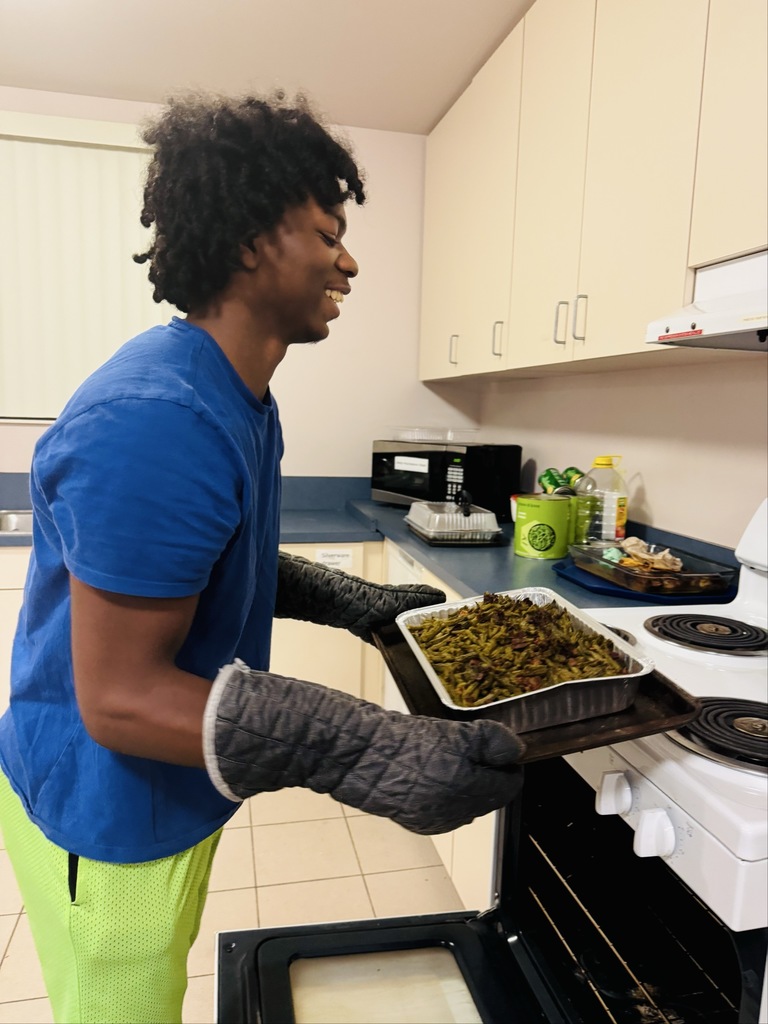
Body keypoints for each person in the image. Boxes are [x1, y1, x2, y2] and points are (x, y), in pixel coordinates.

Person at [0, 91, 525, 1024]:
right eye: (328, 232)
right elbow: (119, 697)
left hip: (166, 795)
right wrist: (365, 747)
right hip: (108, 817)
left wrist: (351, 600)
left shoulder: (237, 398)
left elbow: (210, 568)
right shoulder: (158, 418)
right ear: (250, 241)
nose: (350, 260)